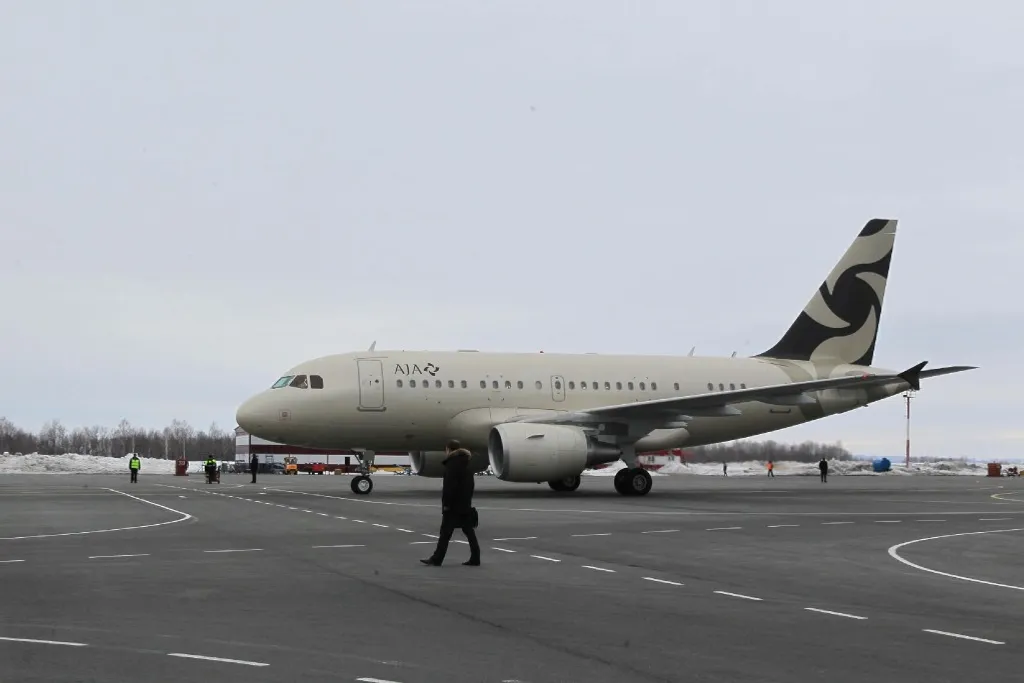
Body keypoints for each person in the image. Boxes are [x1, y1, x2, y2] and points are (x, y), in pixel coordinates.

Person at [421, 440, 481, 566]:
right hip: (465, 504)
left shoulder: (452, 465)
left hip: (453, 506)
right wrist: (467, 502)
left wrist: (447, 505)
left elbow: (449, 487)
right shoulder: (466, 464)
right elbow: (470, 485)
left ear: (448, 449)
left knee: (445, 534)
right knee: (469, 531)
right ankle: (476, 557)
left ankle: (437, 559)